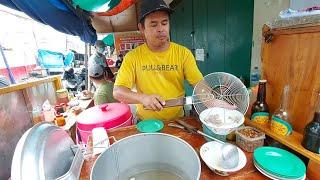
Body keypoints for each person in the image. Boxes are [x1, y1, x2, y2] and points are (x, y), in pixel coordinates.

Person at [113, 0, 204, 121]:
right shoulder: (132, 57)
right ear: (142, 28)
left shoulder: (183, 54)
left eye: (164, 23)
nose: (161, 29)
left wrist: (216, 102)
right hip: (146, 123)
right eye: (154, 24)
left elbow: (200, 86)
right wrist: (143, 98)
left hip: (178, 121)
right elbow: (118, 91)